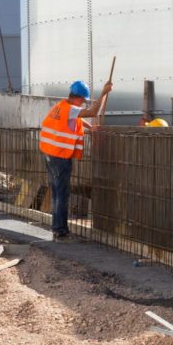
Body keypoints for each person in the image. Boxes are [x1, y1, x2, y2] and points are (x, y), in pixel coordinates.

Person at [39, 79, 113, 243]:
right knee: (62, 195)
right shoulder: (71, 109)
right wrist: (104, 93)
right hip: (60, 156)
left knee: (56, 194)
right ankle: (61, 232)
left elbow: (76, 118)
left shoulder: (61, 106)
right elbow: (93, 112)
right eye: (83, 100)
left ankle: (56, 229)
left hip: (49, 154)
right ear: (78, 97)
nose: (83, 104)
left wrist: (89, 127)